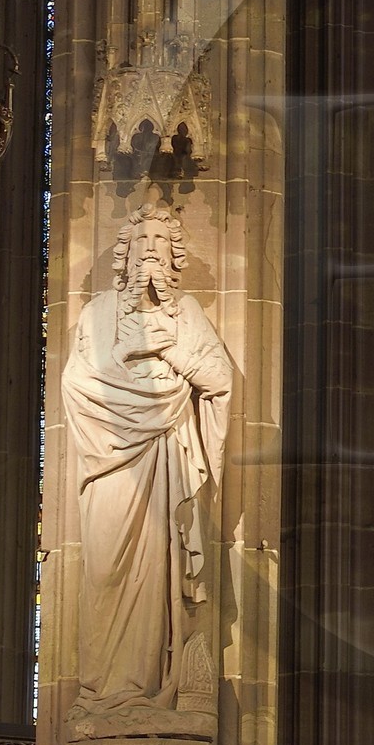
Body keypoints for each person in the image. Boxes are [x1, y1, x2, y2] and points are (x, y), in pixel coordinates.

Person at [61, 202, 232, 711]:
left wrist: (168, 348)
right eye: (142, 243)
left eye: (161, 243)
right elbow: (75, 382)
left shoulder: (188, 317)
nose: (151, 254)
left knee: (155, 575)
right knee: (105, 572)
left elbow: (218, 381)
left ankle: (143, 685)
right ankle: (99, 689)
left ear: (174, 257)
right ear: (126, 254)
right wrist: (131, 364)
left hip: (162, 463)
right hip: (109, 465)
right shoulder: (97, 314)